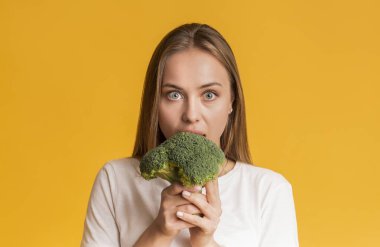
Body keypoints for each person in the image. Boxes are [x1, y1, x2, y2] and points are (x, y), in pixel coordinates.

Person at [80, 23, 299, 247]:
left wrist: (205, 241)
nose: (191, 115)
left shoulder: (268, 190)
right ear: (155, 102)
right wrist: (159, 232)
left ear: (232, 101)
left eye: (209, 94)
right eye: (174, 94)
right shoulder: (115, 180)